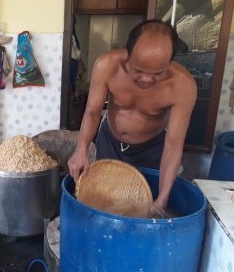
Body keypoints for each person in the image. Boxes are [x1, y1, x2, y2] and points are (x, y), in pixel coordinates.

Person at [68, 19, 197, 217]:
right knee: (104, 201)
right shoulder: (107, 65)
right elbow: (93, 111)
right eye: (137, 70)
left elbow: (173, 145)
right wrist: (81, 148)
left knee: (142, 208)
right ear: (128, 54)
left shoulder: (183, 86)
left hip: (151, 149)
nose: (146, 79)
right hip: (110, 141)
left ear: (170, 62)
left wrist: (162, 199)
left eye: (157, 73)